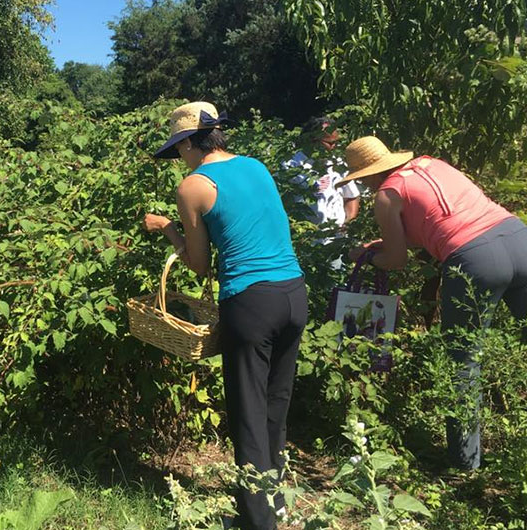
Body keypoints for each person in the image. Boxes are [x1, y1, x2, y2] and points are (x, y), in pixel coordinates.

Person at [142, 102, 308, 530]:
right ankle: (277, 500)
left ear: (188, 144)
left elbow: (198, 264)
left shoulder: (192, 187)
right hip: (293, 292)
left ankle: (258, 521)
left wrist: (167, 229)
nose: (180, 158)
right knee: (276, 403)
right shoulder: (256, 166)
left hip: (251, 302)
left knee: (248, 412)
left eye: (179, 149)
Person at [340, 136, 527, 470]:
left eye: (361, 178)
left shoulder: (386, 196)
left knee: (464, 360)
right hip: (516, 236)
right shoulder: (432, 164)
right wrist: (386, 241)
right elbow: (436, 223)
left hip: (476, 260)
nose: (364, 185)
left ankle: (464, 465)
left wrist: (365, 257)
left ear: (369, 173)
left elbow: (397, 261)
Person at [283, 117, 360, 268]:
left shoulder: (337, 165)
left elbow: (352, 196)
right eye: (330, 143)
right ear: (313, 140)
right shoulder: (290, 165)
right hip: (303, 243)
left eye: (336, 142)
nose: (334, 147)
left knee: (336, 283)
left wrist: (348, 222)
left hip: (334, 243)